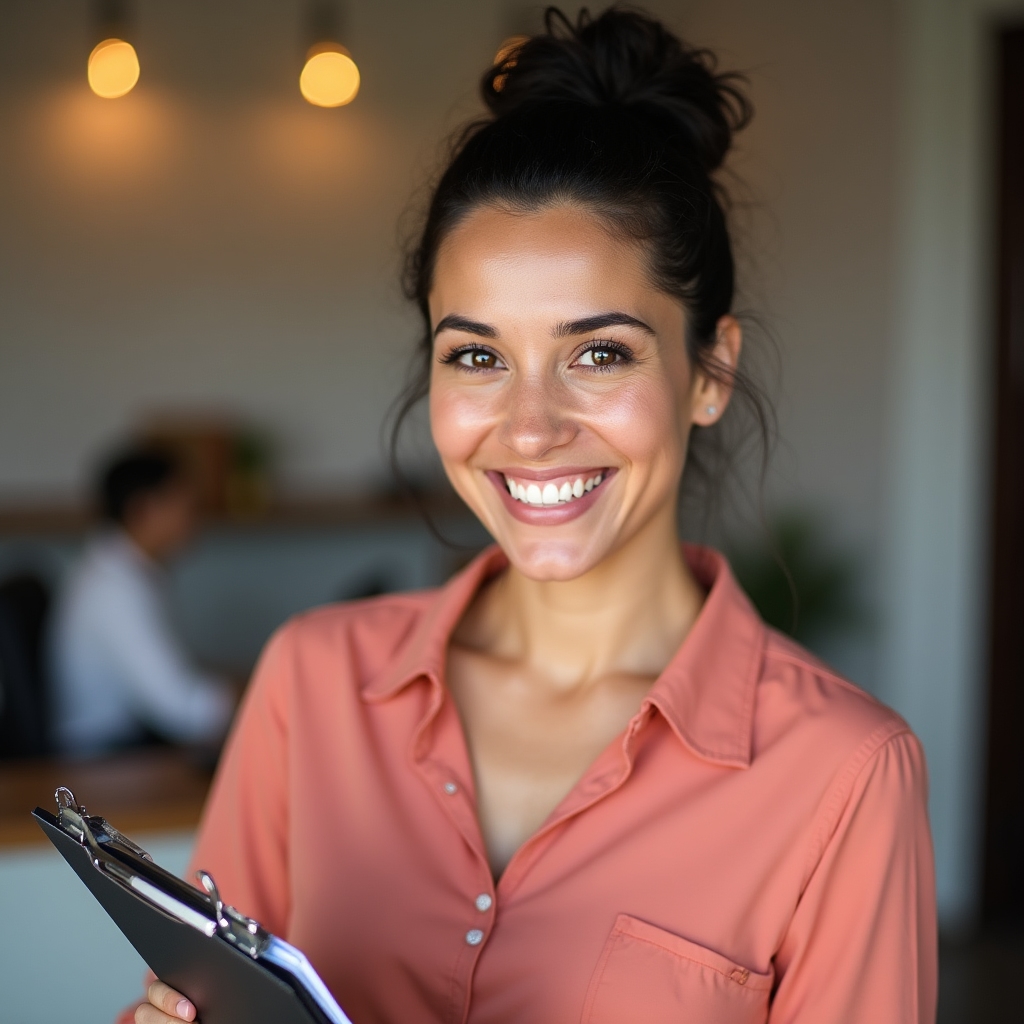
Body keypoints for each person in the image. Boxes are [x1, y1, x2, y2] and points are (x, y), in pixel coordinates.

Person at [133, 8, 936, 1023]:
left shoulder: (842, 771)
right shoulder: (313, 681)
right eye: (477, 355)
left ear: (710, 369)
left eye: (598, 353)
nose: (529, 426)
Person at [50, 446, 234, 756]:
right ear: (143, 509)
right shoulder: (115, 590)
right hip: (108, 759)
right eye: (184, 503)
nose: (194, 516)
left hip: (130, 741)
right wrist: (255, 692)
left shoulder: (126, 571)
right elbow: (186, 711)